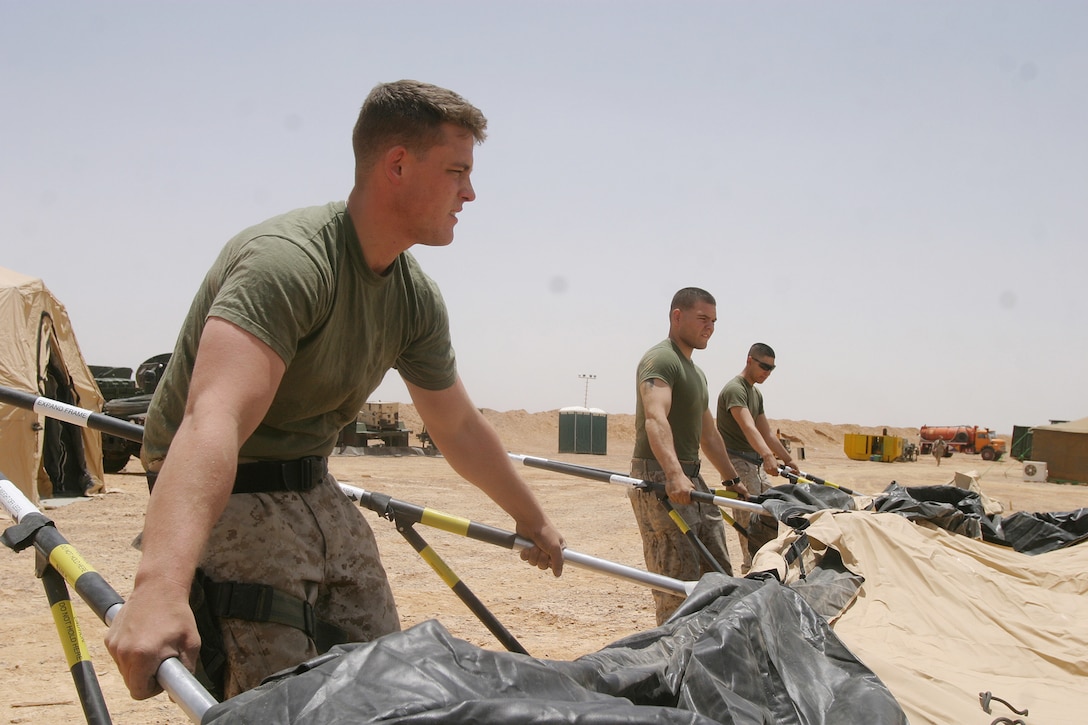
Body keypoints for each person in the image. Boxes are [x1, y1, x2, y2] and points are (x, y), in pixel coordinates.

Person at [105, 80, 566, 701]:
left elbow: (455, 426)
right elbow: (214, 416)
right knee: (285, 700)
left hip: (312, 482)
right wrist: (159, 588)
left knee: (391, 680)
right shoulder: (288, 262)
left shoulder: (413, 295)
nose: (470, 192)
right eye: (457, 171)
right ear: (397, 165)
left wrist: (532, 519)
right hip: (229, 485)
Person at [628, 287, 747, 625]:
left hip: (691, 478)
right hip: (660, 478)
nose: (709, 327)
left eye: (713, 321)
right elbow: (655, 417)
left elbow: (708, 434)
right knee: (677, 585)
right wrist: (673, 473)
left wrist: (731, 479)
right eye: (702, 319)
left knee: (718, 575)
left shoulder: (696, 373)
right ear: (677, 316)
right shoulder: (661, 360)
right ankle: (673, 659)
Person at [716, 343, 799, 572]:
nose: (767, 372)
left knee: (769, 515)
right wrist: (766, 455)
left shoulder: (755, 393)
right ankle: (751, 569)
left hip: (756, 463)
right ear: (750, 360)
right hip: (738, 463)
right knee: (749, 521)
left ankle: (766, 566)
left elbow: (766, 432)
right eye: (764, 366)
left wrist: (787, 459)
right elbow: (748, 426)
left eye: (772, 368)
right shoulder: (735, 389)